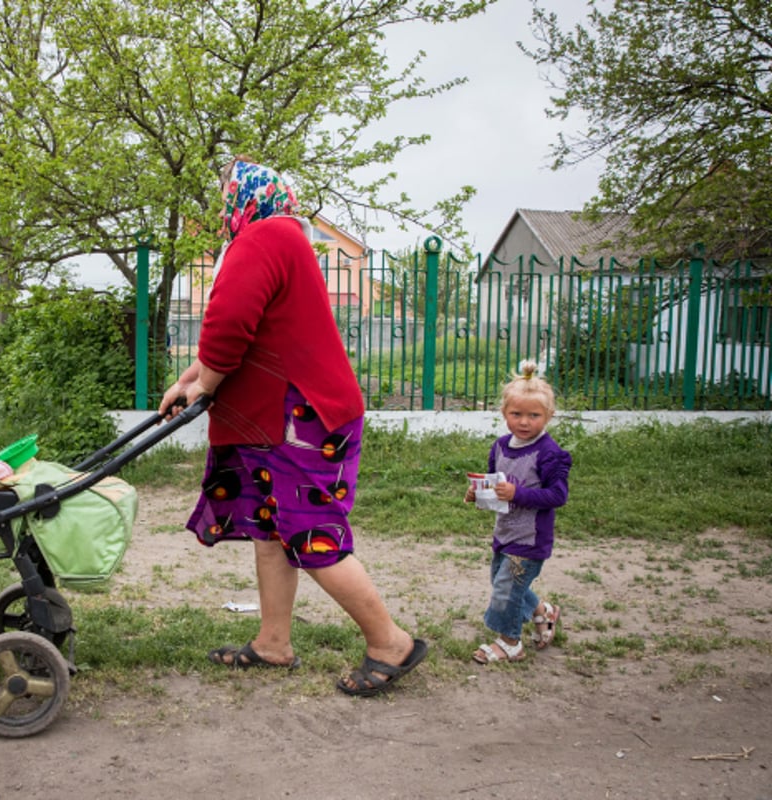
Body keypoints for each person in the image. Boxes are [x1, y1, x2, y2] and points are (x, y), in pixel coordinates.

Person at [159, 158, 427, 697]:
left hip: (298, 418)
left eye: (225, 196)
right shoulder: (284, 237)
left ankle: (390, 641)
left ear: (244, 197)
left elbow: (230, 324)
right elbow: (245, 327)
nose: (222, 208)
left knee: (309, 531)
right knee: (271, 529)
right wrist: (191, 378)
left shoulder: (262, 237)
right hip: (292, 414)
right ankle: (273, 643)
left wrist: (204, 384)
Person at [464, 360, 571, 663]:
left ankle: (510, 643)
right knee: (507, 584)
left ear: (548, 416)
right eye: (517, 414)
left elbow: (557, 495)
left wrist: (518, 493)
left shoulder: (550, 454)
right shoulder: (500, 447)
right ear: (504, 414)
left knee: (506, 590)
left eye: (534, 415)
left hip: (530, 538)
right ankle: (544, 612)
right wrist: (477, 493)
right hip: (505, 533)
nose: (525, 422)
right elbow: (494, 484)